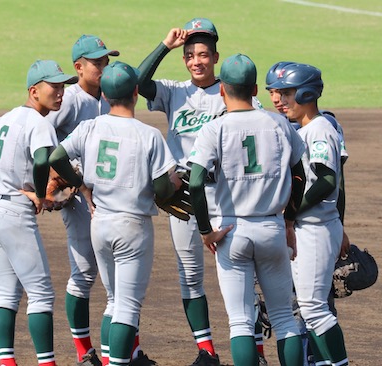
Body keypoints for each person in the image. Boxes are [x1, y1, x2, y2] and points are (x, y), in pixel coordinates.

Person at [138, 17, 264, 366]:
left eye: (204, 54)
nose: (197, 61)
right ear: (184, 59)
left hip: (225, 197)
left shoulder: (232, 91)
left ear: (216, 56)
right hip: (183, 200)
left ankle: (257, 350)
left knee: (241, 274)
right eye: (191, 54)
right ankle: (206, 351)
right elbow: (136, 82)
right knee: (189, 275)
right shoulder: (174, 92)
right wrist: (165, 46)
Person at [48, 61, 180, 366]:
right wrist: (173, 183)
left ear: (105, 96)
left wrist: (80, 183)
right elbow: (162, 189)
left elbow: (55, 155)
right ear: (136, 92)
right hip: (133, 226)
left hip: (100, 223)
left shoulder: (89, 127)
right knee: (127, 307)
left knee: (113, 301)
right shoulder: (148, 134)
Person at [187, 53, 306, 366]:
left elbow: (196, 183)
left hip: (231, 231)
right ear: (255, 89)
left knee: (239, 321)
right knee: (284, 319)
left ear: (222, 89)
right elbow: (300, 176)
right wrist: (290, 223)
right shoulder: (279, 123)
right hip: (271, 228)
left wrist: (204, 231)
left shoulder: (215, 130)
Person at [0, 59, 78, 366]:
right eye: (54, 87)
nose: (61, 93)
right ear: (34, 91)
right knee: (41, 294)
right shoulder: (39, 123)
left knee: (7, 292)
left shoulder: (8, 117)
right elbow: (45, 159)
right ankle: (47, 363)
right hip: (14, 215)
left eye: (63, 87)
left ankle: (7, 363)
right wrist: (45, 193)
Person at [266, 62, 351, 366]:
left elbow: (328, 180)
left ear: (306, 92)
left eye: (287, 93)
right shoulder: (307, 129)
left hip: (315, 228)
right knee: (309, 308)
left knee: (314, 309)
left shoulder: (319, 129)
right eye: (276, 93)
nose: (281, 100)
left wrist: (290, 214)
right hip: (308, 228)